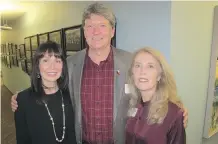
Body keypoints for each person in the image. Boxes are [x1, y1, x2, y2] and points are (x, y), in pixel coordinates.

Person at [11, 2, 188, 144]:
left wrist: (173, 106)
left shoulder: (129, 62)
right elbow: (51, 83)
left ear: (112, 31)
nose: (95, 32)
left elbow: (149, 86)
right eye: (90, 26)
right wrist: (24, 97)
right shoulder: (71, 64)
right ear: (84, 32)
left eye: (102, 25)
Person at [14, 41, 76, 144]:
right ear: (38, 66)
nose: (52, 67)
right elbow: (22, 139)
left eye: (57, 60)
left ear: (63, 66)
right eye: (46, 60)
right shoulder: (23, 100)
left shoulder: (71, 95)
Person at [125, 47, 186, 144]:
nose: (142, 71)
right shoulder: (131, 104)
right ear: (132, 73)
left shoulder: (174, 113)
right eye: (137, 65)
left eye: (150, 66)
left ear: (159, 76)